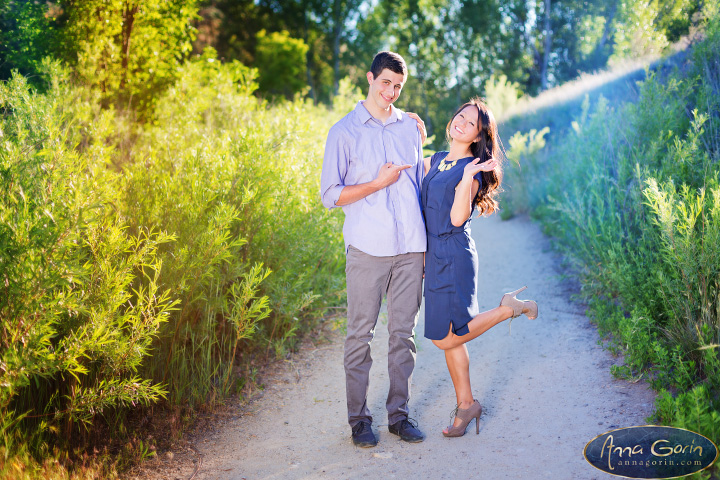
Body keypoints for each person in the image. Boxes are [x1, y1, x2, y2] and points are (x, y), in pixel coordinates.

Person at [320, 51, 429, 447]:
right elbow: (330, 195)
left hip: (410, 248)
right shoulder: (344, 132)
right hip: (367, 248)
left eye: (398, 87)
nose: (391, 92)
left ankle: (399, 416)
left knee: (404, 335)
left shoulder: (408, 129)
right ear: (370, 78)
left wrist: (425, 249)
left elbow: (419, 187)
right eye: (385, 83)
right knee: (359, 336)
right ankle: (359, 422)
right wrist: (377, 184)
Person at [418, 98, 538, 437]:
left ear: (476, 136)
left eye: (470, 123)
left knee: (446, 337)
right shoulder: (436, 160)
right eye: (460, 116)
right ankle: (467, 405)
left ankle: (507, 310)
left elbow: (456, 218)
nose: (461, 123)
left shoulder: (470, 169)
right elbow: (404, 166)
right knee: (453, 337)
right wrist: (406, 123)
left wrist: (467, 177)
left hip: (454, 257)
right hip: (435, 253)